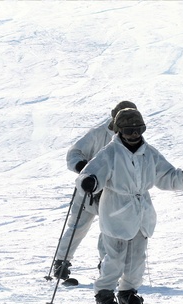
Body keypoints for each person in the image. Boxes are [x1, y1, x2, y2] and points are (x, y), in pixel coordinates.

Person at [78, 108, 183, 304]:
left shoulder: (149, 153)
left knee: (137, 258)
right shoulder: (110, 152)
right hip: (116, 211)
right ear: (119, 131)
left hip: (141, 212)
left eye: (138, 129)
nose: (135, 135)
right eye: (129, 130)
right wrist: (89, 182)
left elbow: (166, 175)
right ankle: (105, 295)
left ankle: (128, 293)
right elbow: (89, 173)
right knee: (115, 258)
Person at [52, 100, 137, 281]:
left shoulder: (132, 138)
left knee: (109, 230)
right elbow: (74, 152)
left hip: (112, 194)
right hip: (87, 192)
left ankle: (106, 264)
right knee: (77, 227)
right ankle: (61, 261)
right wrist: (83, 167)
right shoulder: (99, 134)